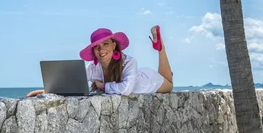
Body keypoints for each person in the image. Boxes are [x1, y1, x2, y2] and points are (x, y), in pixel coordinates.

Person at [27, 25, 173, 97]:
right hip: (137, 75)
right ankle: (159, 46)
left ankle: (161, 47)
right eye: (96, 47)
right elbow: (73, 83)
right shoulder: (93, 67)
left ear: (114, 44)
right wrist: (46, 91)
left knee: (169, 82)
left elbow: (126, 90)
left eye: (105, 44)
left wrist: (102, 86)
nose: (101, 49)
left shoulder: (129, 62)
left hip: (149, 81)